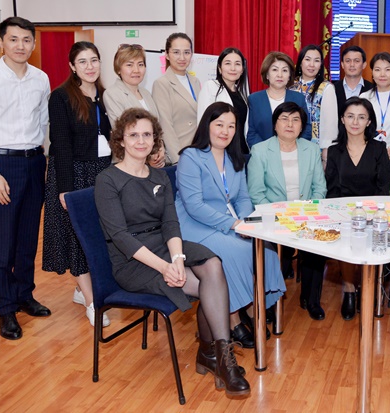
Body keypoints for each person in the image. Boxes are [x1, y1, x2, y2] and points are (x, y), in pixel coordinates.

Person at [95, 108, 249, 396]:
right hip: (132, 261)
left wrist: (176, 258)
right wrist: (164, 267)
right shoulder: (108, 180)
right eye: (133, 135)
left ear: (155, 139)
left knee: (213, 264)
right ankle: (214, 357)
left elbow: (170, 223)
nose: (141, 141)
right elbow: (120, 236)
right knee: (208, 287)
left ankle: (217, 355)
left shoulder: (160, 176)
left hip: (163, 245)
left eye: (147, 134)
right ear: (121, 139)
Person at [0, 16, 51, 340]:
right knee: (3, 244)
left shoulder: (41, 78)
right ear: (1, 42)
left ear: (33, 43)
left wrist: (44, 159)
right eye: (13, 39)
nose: (20, 46)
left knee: (28, 239)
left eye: (26, 40)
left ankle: (24, 295)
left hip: (34, 163)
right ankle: (5, 308)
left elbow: (43, 123)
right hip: (2, 165)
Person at [175, 102, 285, 348]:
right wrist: (234, 224)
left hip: (227, 221)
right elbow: (194, 205)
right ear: (207, 125)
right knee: (235, 252)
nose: (225, 131)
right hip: (194, 225)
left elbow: (243, 198)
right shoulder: (191, 156)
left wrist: (244, 222)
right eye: (219, 124)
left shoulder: (234, 158)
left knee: (265, 249)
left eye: (231, 126)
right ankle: (233, 320)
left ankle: (252, 307)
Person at [42, 41, 112, 327]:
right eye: (82, 61)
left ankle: (82, 291)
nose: (89, 66)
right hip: (73, 175)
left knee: (97, 237)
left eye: (94, 60)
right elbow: (60, 145)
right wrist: (66, 190)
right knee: (77, 237)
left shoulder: (104, 96)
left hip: (101, 173)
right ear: (72, 66)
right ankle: (93, 302)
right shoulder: (61, 97)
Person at [247, 102, 328, 319]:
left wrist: (309, 212)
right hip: (274, 218)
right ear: (275, 125)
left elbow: (319, 188)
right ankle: (270, 302)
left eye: (295, 120)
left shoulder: (311, 149)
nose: (290, 124)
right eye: (284, 119)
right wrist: (281, 218)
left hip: (306, 214)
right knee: (277, 254)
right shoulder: (260, 151)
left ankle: (311, 300)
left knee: (317, 248)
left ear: (302, 126)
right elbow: (256, 193)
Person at [325, 97, 390, 320]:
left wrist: (372, 215)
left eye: (361, 117)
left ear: (369, 121)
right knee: (347, 234)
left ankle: (366, 285)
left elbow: (384, 187)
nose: (355, 122)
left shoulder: (379, 149)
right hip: (343, 214)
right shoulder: (334, 151)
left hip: (374, 214)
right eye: (350, 116)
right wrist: (342, 216)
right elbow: (332, 190)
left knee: (369, 234)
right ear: (342, 119)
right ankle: (349, 288)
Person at [103, 43, 166, 168]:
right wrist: (149, 155)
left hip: (152, 161)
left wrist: (160, 149)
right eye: (129, 65)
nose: (136, 70)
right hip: (128, 163)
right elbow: (122, 132)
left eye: (140, 64)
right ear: (118, 69)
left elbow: (156, 128)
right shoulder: (112, 93)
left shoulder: (146, 93)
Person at [152, 33, 202, 163]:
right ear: (167, 55)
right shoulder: (162, 84)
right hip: (180, 153)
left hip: (198, 151)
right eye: (176, 52)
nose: (182, 57)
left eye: (186, 52)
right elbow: (165, 125)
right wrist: (178, 159)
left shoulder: (195, 81)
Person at [247, 51, 311, 149]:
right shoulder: (254, 99)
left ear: (289, 76)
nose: (279, 75)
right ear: (267, 75)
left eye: (284, 70)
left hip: (293, 152)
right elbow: (251, 132)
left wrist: (290, 149)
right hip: (263, 154)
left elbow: (306, 129)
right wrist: (266, 151)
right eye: (275, 70)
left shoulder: (298, 98)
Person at [197, 47, 250, 156]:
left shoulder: (243, 93)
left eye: (237, 64)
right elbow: (203, 122)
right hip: (219, 151)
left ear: (242, 69)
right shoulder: (210, 87)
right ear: (220, 68)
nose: (233, 68)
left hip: (241, 151)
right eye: (228, 63)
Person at [291, 44, 339, 163]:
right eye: (307, 59)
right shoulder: (290, 85)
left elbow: (330, 123)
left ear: (321, 65)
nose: (311, 64)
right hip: (290, 142)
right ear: (300, 62)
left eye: (316, 61)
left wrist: (326, 150)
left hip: (315, 146)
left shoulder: (326, 87)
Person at [333, 45, 372, 112]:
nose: (352, 65)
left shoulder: (372, 89)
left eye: (356, 61)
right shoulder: (333, 88)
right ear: (342, 64)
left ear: (364, 65)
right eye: (348, 61)